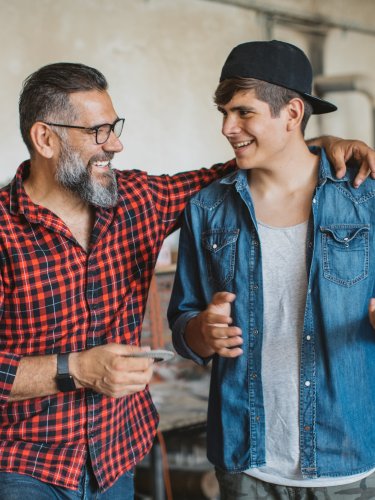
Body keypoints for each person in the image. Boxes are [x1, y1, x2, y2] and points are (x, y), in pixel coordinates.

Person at [0, 62, 372, 500]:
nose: (116, 144)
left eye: (114, 127)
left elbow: (235, 170)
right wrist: (78, 369)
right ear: (45, 138)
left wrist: (312, 144)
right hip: (23, 467)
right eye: (99, 132)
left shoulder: (136, 201)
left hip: (116, 460)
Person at [168, 40, 375, 500]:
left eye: (244, 112)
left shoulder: (365, 200)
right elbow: (184, 324)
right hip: (246, 466)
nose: (227, 127)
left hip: (346, 462)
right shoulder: (206, 209)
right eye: (223, 112)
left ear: (293, 112)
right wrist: (201, 330)